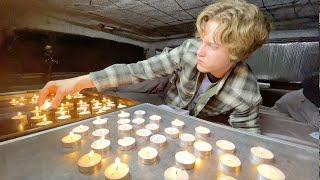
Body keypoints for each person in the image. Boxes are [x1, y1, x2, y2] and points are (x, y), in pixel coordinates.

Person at [38, 0, 271, 133]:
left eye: (212, 45)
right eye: (202, 39)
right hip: (166, 83)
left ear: (240, 53)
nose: (199, 51)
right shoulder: (190, 50)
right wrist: (78, 82)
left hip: (171, 105)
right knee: (114, 89)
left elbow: (247, 138)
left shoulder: (247, 95)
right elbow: (136, 70)